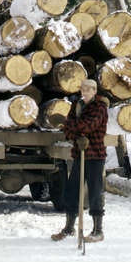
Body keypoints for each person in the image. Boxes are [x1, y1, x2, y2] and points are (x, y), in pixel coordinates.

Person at [51, 79, 109, 243]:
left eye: (87, 90)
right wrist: (75, 135)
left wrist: (67, 124)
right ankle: (69, 228)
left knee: (94, 193)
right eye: (82, 89)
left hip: (95, 155)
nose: (84, 93)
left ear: (94, 91)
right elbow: (68, 132)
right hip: (79, 154)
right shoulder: (77, 104)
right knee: (71, 190)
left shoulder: (100, 107)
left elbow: (87, 126)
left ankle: (98, 230)